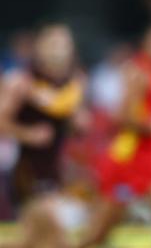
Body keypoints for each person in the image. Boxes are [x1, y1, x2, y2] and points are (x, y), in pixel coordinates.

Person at [78, 24, 151, 248]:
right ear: (148, 44)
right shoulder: (141, 71)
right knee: (96, 237)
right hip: (130, 159)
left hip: (147, 159)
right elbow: (120, 116)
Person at [0, 24, 87, 248]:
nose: (58, 50)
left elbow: (75, 126)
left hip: (53, 169)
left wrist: (79, 123)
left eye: (63, 44)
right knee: (58, 237)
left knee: (34, 241)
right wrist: (28, 134)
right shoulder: (22, 81)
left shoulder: (73, 83)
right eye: (52, 44)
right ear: (40, 48)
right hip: (26, 169)